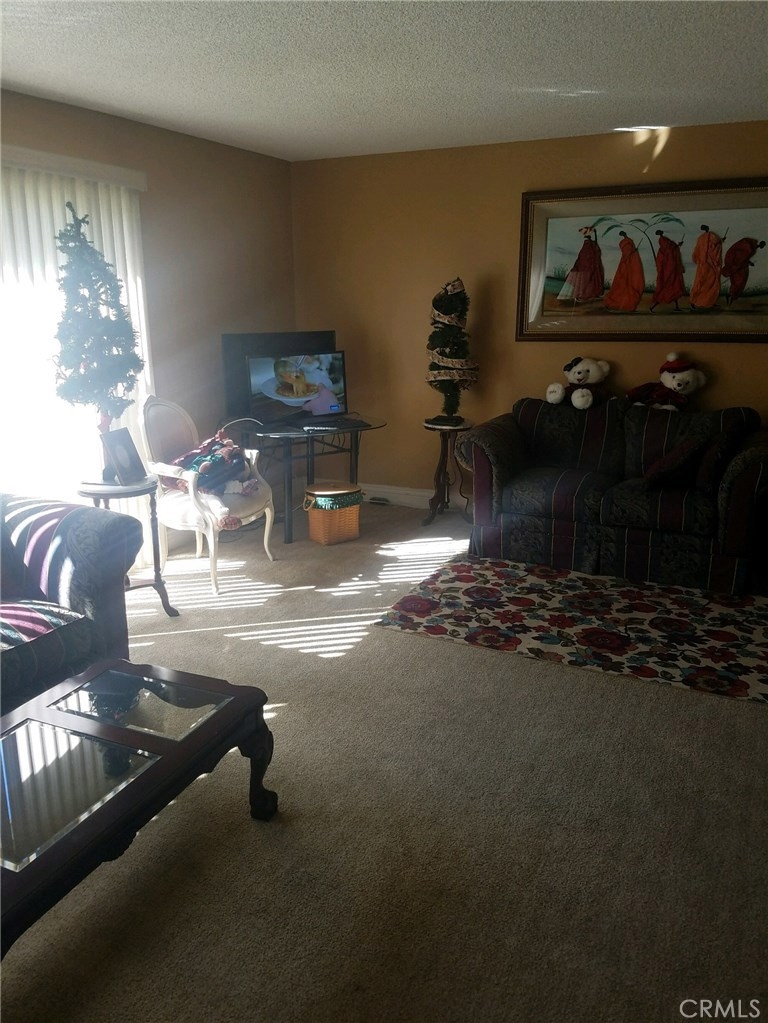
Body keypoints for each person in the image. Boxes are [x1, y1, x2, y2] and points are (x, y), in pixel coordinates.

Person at [558, 226, 605, 303]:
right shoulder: (589, 244)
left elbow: (588, 256)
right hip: (586, 264)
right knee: (584, 277)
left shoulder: (588, 244)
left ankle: (583, 295)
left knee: (585, 277)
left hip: (587, 265)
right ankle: (583, 294)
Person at [603, 231, 644, 311]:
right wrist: (632, 252)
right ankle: (621, 303)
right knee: (623, 282)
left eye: (623, 234)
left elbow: (628, 252)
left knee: (629, 281)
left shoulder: (627, 242)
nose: (623, 235)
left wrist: (632, 252)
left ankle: (627, 303)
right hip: (627, 262)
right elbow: (626, 253)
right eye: (622, 234)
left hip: (629, 262)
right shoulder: (626, 242)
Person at [721, 237, 765, 306]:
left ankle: (730, 297)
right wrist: (743, 263)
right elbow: (741, 257)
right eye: (762, 245)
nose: (762, 246)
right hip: (738, 267)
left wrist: (749, 263)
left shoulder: (753, 249)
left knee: (739, 283)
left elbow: (745, 258)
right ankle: (730, 298)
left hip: (741, 267)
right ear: (761, 244)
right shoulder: (750, 247)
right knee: (737, 282)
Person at [690, 224, 724, 309]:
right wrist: (720, 241)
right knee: (712, 283)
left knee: (700, 282)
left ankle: (697, 301)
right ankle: (708, 301)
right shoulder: (713, 236)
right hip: (710, 265)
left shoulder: (700, 238)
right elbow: (715, 247)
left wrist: (698, 260)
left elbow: (696, 251)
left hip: (702, 265)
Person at [650, 230, 686, 311]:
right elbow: (669, 250)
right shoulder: (662, 240)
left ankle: (676, 307)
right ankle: (652, 307)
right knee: (668, 288)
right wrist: (677, 246)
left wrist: (677, 245)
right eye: (660, 232)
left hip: (671, 267)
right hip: (668, 268)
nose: (661, 233)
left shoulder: (665, 240)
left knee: (674, 287)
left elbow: (671, 248)